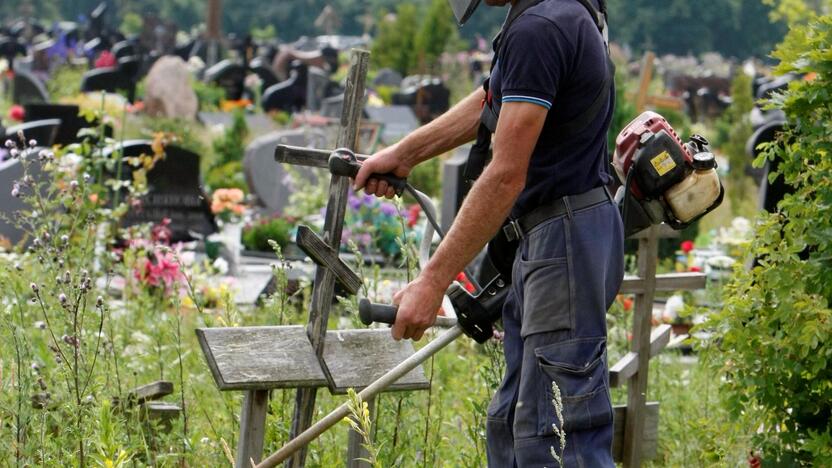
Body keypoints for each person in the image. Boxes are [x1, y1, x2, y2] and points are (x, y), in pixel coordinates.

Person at [354, 0, 623, 465]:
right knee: (511, 426)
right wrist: (407, 152)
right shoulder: (554, 12)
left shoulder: (539, 28)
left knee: (558, 440)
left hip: (563, 242)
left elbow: (504, 175)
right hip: (557, 235)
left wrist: (432, 281)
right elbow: (495, 98)